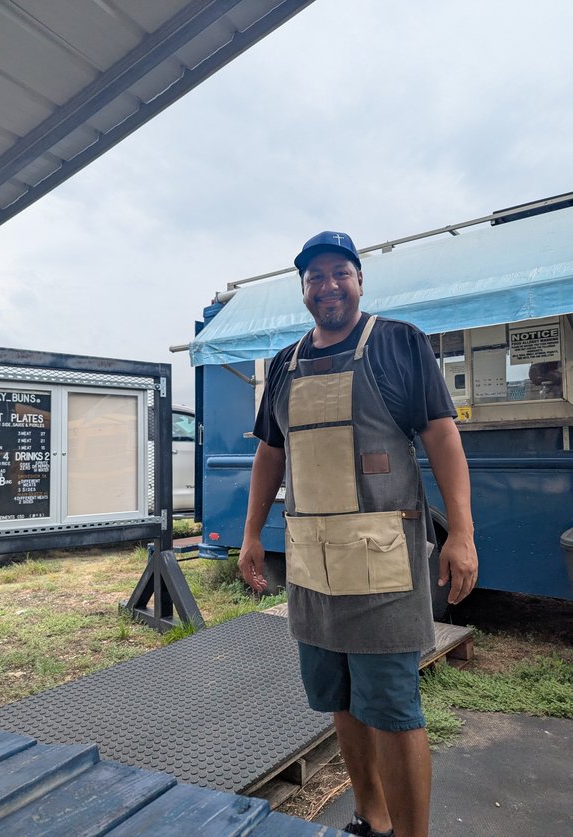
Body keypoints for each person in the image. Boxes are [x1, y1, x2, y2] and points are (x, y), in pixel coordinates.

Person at [239, 231, 478, 837]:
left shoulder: (399, 343)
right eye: (315, 277)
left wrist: (462, 535)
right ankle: (368, 817)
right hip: (313, 562)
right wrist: (249, 536)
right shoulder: (286, 364)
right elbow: (271, 453)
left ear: (359, 280)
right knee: (339, 699)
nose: (328, 286)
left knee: (394, 708)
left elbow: (442, 437)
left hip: (384, 562)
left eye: (339, 273)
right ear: (304, 290)